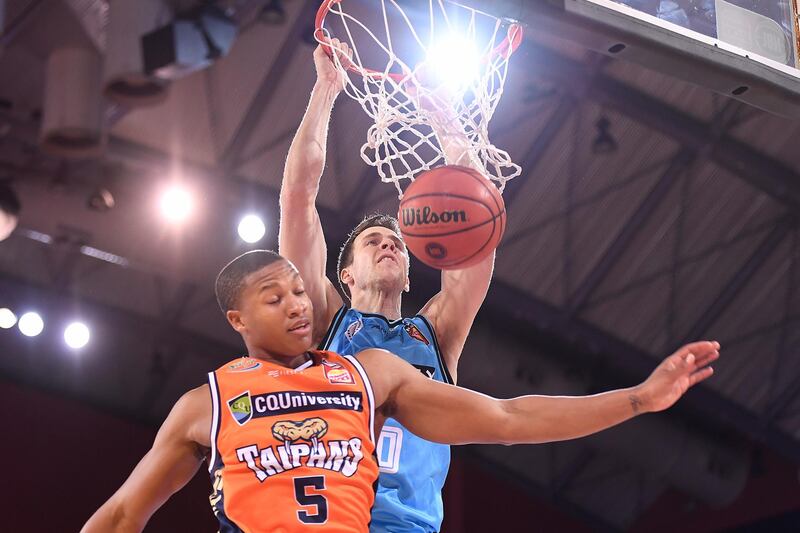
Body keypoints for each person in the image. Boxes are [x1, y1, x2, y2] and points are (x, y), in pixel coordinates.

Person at [81, 250, 720, 533]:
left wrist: (637, 398)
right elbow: (119, 516)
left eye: (299, 291)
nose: (298, 307)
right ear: (238, 322)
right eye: (274, 300)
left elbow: (505, 417)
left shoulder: (370, 374)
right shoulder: (206, 403)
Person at [279, 38, 499, 532]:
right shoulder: (325, 320)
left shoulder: (436, 332)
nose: (389, 245)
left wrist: (446, 125)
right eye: (374, 241)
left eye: (397, 243)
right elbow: (297, 197)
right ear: (347, 275)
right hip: (329, 519)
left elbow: (479, 237)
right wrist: (326, 89)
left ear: (408, 270)